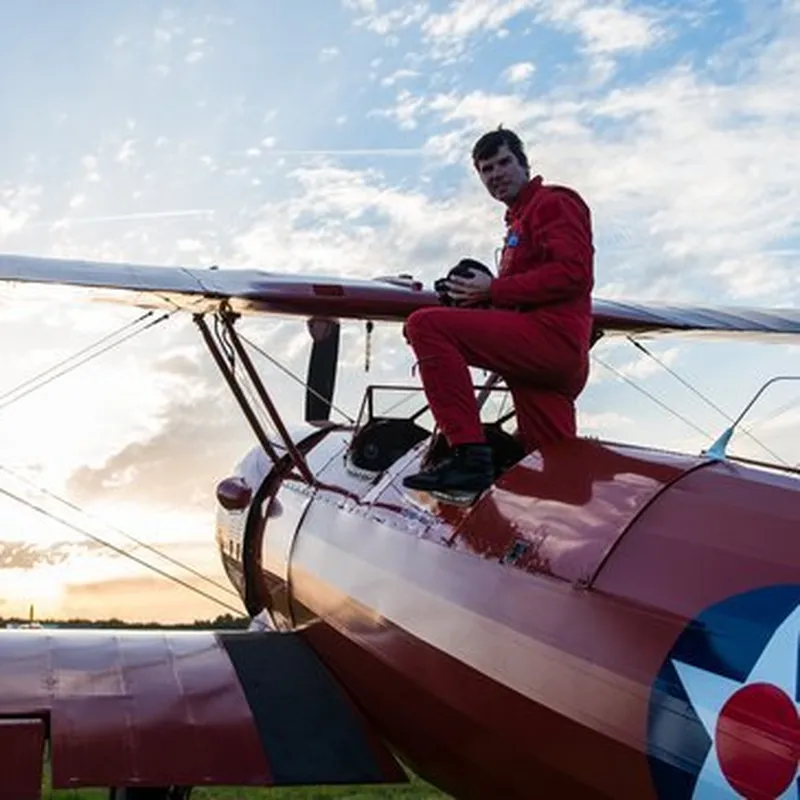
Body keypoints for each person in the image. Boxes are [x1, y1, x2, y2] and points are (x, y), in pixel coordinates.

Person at [401, 126, 595, 497]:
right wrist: (478, 299)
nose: (496, 174)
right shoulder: (517, 223)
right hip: (541, 364)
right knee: (557, 475)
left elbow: (574, 273)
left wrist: (493, 288)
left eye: (504, 162)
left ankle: (469, 458)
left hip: (550, 340)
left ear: (524, 164)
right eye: (486, 170)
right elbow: (525, 293)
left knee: (425, 326)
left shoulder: (554, 202)